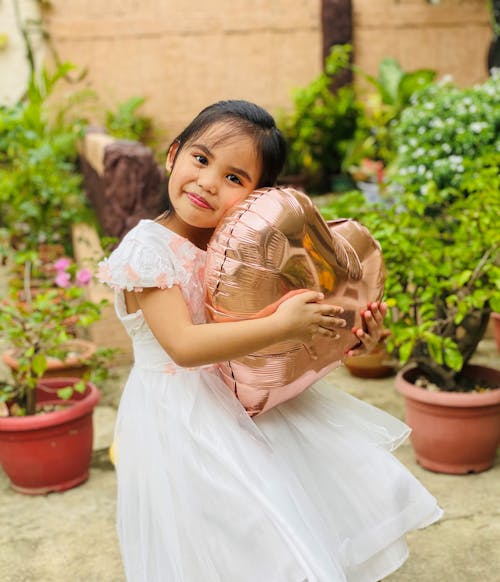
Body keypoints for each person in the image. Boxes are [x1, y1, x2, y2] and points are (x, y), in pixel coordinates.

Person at [98, 100, 442, 582]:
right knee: (226, 531)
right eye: (200, 159)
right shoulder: (146, 250)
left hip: (252, 398)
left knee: (287, 522)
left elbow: (298, 328)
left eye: (235, 178)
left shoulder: (246, 247)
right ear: (174, 154)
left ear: (259, 197)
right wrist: (284, 325)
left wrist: (350, 335)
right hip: (181, 415)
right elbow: (183, 345)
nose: (208, 183)